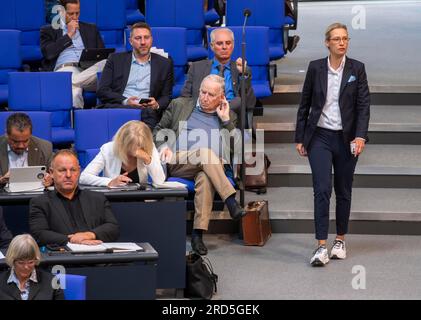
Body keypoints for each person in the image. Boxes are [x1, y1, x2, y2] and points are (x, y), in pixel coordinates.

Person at [295, 22, 370, 266]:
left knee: (344, 189)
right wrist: (300, 136)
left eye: (345, 38)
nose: (341, 42)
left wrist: (360, 136)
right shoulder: (315, 68)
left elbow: (363, 106)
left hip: (346, 138)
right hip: (319, 136)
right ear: (327, 42)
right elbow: (304, 104)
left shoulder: (357, 69)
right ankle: (320, 246)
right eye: (336, 39)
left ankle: (339, 239)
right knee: (322, 189)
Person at [154, 74, 246, 256]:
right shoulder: (180, 105)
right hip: (178, 161)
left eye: (211, 95)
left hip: (210, 168)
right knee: (206, 153)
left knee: (205, 177)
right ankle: (230, 200)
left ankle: (197, 235)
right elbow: (157, 131)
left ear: (222, 97)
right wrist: (164, 147)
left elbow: (236, 149)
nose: (204, 97)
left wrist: (226, 121)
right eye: (203, 92)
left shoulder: (229, 116)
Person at [29, 149, 120, 246]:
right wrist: (72, 239)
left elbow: (113, 228)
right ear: (51, 172)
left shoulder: (97, 198)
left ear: (79, 171)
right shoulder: (40, 202)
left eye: (73, 170)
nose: (68, 175)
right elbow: (40, 234)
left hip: (97, 255)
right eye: (62, 170)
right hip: (62, 257)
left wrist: (89, 235)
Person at [97, 22, 174, 129]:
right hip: (120, 107)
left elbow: (167, 96)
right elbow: (102, 90)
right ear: (131, 41)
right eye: (138, 38)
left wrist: (156, 104)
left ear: (151, 39)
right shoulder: (115, 60)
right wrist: (126, 101)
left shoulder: (165, 64)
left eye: (146, 37)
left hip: (146, 111)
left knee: (148, 117)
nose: (143, 42)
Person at [40, 0, 106, 109]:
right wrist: (69, 35)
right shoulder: (49, 30)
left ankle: (68, 82)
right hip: (66, 69)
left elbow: (102, 54)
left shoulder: (91, 28)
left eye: (77, 13)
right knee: (75, 94)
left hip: (89, 72)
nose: (75, 17)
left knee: (106, 63)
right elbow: (48, 53)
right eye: (71, 14)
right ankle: (77, 123)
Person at [181, 27, 256, 119]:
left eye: (228, 43)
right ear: (212, 46)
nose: (224, 47)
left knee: (237, 101)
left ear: (233, 45)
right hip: (202, 116)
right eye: (219, 43)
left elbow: (249, 103)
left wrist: (243, 74)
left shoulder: (240, 69)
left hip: (231, 117)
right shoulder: (196, 67)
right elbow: (185, 97)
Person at [79, 120, 165, 187]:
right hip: (113, 200)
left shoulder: (149, 147)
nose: (135, 151)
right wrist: (109, 182)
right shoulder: (108, 149)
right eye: (130, 147)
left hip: (140, 200)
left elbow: (160, 181)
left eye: (139, 146)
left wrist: (148, 160)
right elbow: (84, 177)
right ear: (122, 142)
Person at [0, 234, 64, 300]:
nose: (26, 267)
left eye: (30, 262)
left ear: (36, 259)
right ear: (12, 260)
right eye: (21, 263)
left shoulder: (53, 281)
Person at [0, 113, 53, 187]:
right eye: (15, 141)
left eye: (25, 141)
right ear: (7, 134)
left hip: (35, 196)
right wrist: (1, 180)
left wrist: (51, 180)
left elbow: (56, 174)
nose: (21, 146)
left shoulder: (45, 147)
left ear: (30, 135)